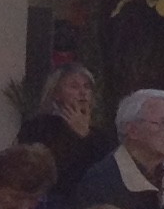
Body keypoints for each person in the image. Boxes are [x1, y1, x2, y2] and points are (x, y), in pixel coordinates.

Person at [16, 59, 108, 191]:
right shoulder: (37, 127)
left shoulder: (100, 135)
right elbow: (46, 170)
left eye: (87, 86)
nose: (83, 92)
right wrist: (76, 137)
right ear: (56, 94)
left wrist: (87, 136)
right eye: (74, 86)